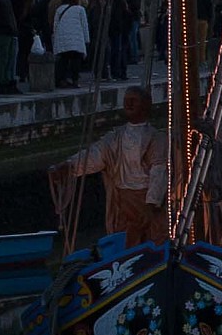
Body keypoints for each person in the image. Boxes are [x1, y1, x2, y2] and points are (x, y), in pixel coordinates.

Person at [48, 86, 168, 243]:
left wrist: (152, 202)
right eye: (126, 101)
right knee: (123, 238)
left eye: (134, 101)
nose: (129, 104)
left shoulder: (156, 139)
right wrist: (69, 166)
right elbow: (95, 155)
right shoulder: (115, 138)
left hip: (145, 199)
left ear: (145, 105)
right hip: (121, 199)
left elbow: (159, 170)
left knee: (151, 236)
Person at [52, 0, 90, 87]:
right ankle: (75, 80)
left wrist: (56, 38)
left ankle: (61, 80)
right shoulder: (80, 9)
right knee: (76, 60)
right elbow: (84, 25)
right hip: (76, 39)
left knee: (63, 59)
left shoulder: (59, 9)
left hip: (62, 39)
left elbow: (55, 25)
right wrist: (86, 40)